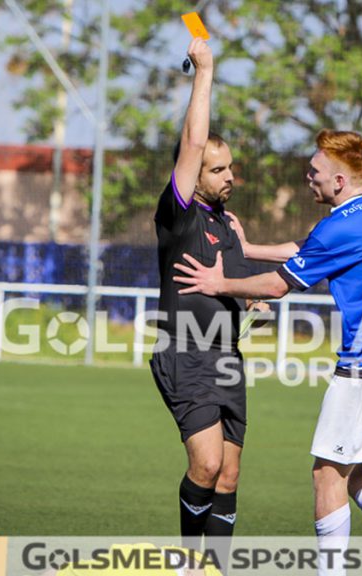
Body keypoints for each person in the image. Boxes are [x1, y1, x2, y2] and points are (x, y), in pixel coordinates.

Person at [173, 129, 362, 575]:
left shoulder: (338, 227)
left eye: (314, 172)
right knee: (352, 471)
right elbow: (309, 251)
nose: (307, 176)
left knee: (326, 476)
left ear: (337, 182)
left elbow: (278, 285)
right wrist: (248, 248)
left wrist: (220, 283)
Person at [149, 37, 265, 570]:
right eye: (219, 170)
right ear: (195, 175)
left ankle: (216, 566)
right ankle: (188, 562)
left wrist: (256, 304)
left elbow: (240, 286)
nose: (230, 177)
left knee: (231, 474)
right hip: (186, 356)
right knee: (207, 463)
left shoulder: (226, 225)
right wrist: (205, 72)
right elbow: (193, 143)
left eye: (231, 168)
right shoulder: (180, 216)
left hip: (227, 359)